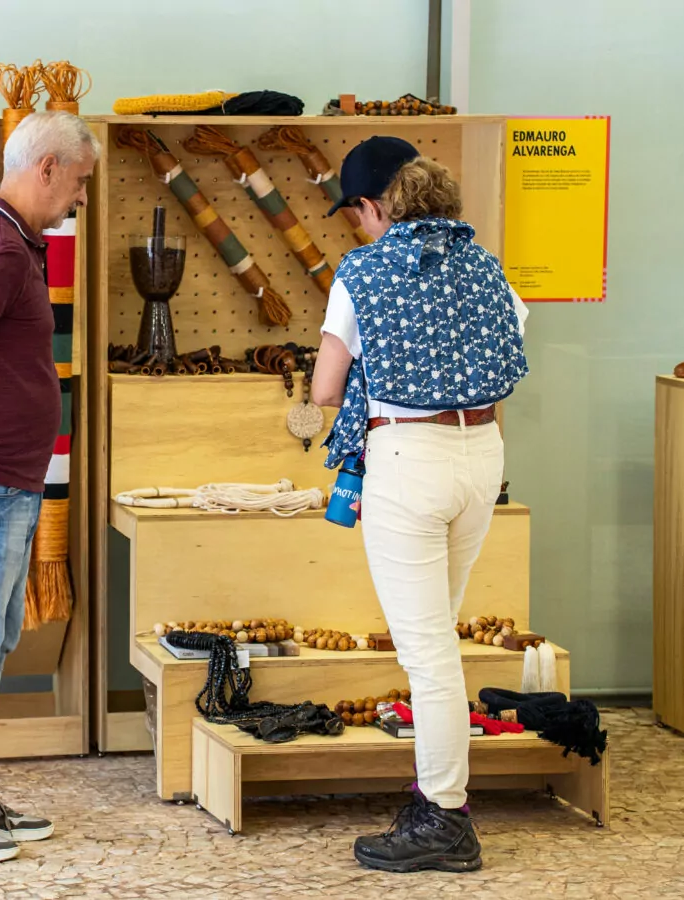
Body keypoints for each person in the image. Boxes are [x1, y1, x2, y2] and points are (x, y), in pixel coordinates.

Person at [312, 136, 529, 874]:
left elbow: (321, 387)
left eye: (359, 213)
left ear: (377, 205)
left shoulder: (363, 270)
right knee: (437, 641)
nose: (359, 227)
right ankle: (434, 796)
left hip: (408, 459)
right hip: (482, 457)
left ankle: (444, 814)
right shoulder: (486, 265)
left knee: (427, 655)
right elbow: (511, 351)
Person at [0, 112, 100, 862]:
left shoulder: (9, 238)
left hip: (9, 478)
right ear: (48, 167)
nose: (82, 198)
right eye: (81, 180)